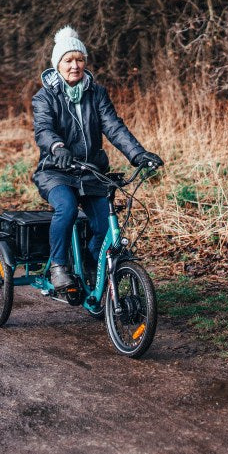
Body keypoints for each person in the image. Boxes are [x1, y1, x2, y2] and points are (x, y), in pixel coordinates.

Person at [32, 26, 163, 290]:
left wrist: (138, 154)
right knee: (66, 208)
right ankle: (59, 265)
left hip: (91, 171)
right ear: (58, 64)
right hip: (55, 170)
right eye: (68, 60)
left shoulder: (97, 93)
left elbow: (113, 127)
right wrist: (58, 147)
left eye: (79, 59)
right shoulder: (44, 97)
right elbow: (43, 128)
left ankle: (92, 262)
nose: (75, 65)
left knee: (106, 226)